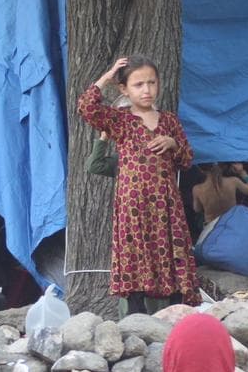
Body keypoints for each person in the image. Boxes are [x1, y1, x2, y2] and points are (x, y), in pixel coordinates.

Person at [78, 55, 198, 314]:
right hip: (133, 206)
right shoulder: (120, 121)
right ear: (124, 89)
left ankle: (175, 310)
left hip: (165, 204)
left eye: (151, 83)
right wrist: (108, 76)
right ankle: (136, 314)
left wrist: (172, 144)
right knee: (135, 253)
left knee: (170, 249)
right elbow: (87, 107)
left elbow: (187, 159)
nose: (147, 90)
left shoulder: (169, 121)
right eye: (138, 84)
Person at [192, 162, 248, 228]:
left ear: (201, 170)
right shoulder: (233, 181)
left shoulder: (197, 189)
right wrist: (242, 172)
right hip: (232, 224)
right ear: (222, 167)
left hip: (212, 228)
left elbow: (197, 209)